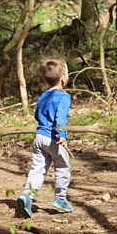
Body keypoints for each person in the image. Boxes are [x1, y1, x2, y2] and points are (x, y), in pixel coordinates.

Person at [16, 58, 73, 217]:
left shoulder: (43, 96)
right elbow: (60, 117)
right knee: (62, 166)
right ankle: (60, 198)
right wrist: (61, 135)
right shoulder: (63, 96)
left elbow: (36, 115)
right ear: (63, 78)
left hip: (39, 137)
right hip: (53, 139)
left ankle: (27, 196)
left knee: (38, 169)